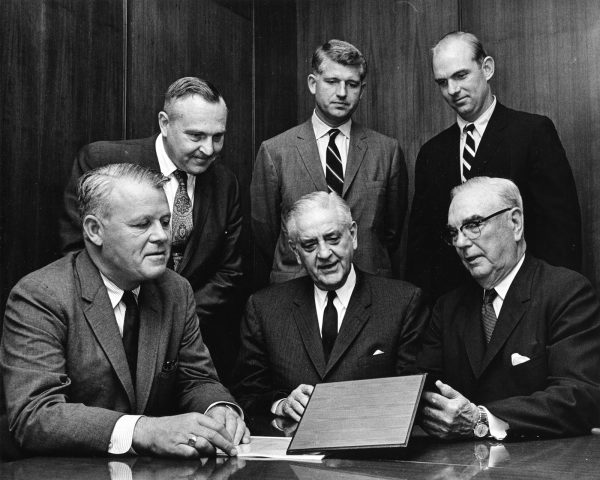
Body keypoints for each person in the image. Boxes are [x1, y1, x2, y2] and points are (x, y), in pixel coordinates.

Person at [1, 164, 249, 456]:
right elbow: (35, 414)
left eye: (165, 222)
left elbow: (196, 380)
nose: (162, 236)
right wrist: (141, 430)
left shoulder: (175, 290)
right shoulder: (41, 295)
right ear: (94, 230)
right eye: (142, 225)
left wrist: (218, 408)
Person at [59, 77, 242, 383]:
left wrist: (176, 321)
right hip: (109, 341)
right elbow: (78, 250)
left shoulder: (225, 183)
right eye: (196, 136)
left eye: (218, 137)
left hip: (191, 345)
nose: (209, 149)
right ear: (165, 123)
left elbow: (229, 272)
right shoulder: (103, 161)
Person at [417, 177, 600, 440]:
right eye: (453, 233)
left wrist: (482, 420)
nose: (460, 243)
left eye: (473, 225)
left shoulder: (566, 292)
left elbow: (579, 396)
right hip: (459, 461)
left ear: (515, 223)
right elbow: (423, 395)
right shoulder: (447, 308)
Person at [407, 31, 581, 300]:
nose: (452, 90)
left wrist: (552, 304)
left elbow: (561, 233)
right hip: (454, 309)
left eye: (461, 75)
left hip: (525, 301)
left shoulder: (532, 133)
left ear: (487, 68)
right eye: (442, 82)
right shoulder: (431, 153)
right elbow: (422, 249)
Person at [233, 192, 428, 421]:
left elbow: (412, 396)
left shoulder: (402, 303)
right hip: (295, 443)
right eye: (309, 245)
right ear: (296, 252)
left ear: (353, 235)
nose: (324, 253)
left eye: (333, 238)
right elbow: (246, 396)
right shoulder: (264, 309)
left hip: (369, 441)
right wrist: (281, 405)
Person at [252, 39, 407, 284]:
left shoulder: (387, 151)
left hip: (369, 285)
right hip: (296, 286)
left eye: (352, 84)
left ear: (362, 90)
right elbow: (265, 233)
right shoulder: (275, 151)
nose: (342, 93)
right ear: (313, 84)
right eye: (332, 81)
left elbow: (392, 232)